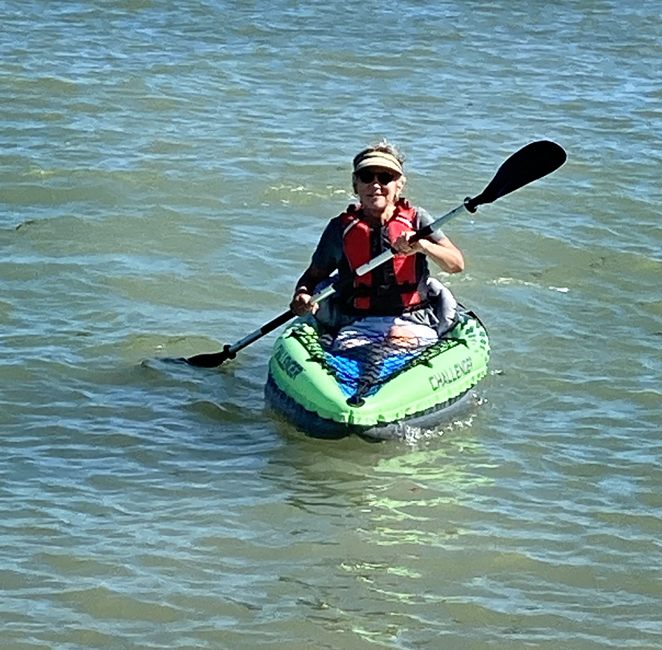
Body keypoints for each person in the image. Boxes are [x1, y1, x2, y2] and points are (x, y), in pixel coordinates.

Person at [289, 141, 465, 348]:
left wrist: (423, 246)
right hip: (356, 323)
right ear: (356, 185)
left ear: (399, 185)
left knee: (396, 336)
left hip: (412, 320)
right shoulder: (339, 228)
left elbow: (456, 264)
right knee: (354, 359)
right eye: (366, 177)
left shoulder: (418, 221)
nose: (375, 185)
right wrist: (301, 294)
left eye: (385, 178)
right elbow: (313, 276)